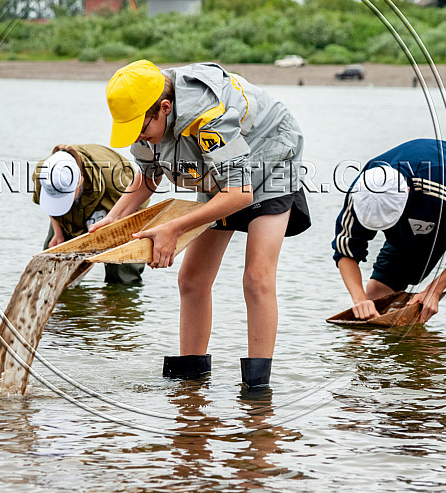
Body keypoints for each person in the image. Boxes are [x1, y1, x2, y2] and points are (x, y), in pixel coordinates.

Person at [89, 60, 311, 388]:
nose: (140, 137)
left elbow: (238, 194)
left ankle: (257, 390)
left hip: (272, 156)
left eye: (142, 129)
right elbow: (148, 175)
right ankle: (190, 385)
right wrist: (113, 218)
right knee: (191, 279)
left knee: (257, 278)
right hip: (221, 170)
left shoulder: (208, 117)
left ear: (165, 108)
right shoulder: (148, 118)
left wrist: (174, 228)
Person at [332, 138, 446, 324]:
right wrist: (360, 300)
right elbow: (345, 251)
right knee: (376, 297)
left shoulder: (444, 192)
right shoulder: (361, 192)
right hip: (412, 226)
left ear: (408, 193)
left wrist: (433, 290)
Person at [32, 143, 146, 285]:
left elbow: (138, 204)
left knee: (123, 274)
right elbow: (49, 207)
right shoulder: (42, 172)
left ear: (80, 181)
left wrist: (111, 240)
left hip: (114, 210)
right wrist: (58, 232)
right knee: (51, 265)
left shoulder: (115, 177)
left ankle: (119, 301)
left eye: (64, 197)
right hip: (67, 217)